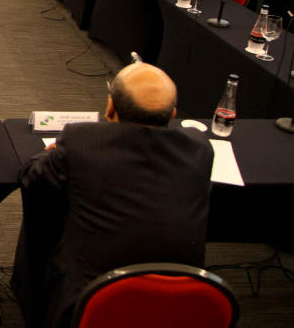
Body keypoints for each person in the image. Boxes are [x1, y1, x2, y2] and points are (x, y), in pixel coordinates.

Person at [12, 62, 213, 328]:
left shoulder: (81, 140)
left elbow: (32, 177)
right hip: (179, 305)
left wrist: (53, 151)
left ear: (110, 108)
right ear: (173, 114)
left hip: (89, 302)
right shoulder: (199, 148)